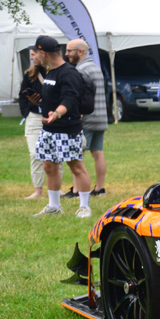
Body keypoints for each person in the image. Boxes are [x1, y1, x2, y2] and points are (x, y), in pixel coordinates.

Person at [30, 35, 93, 217]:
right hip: (49, 129)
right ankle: (54, 206)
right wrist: (39, 100)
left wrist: (57, 113)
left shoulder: (69, 73)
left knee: (76, 166)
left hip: (67, 129)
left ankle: (84, 207)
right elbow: (55, 95)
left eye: (36, 52)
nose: (35, 56)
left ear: (43, 52)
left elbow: (70, 98)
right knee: (49, 166)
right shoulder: (51, 72)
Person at [66, 38, 109, 196]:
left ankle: (77, 189)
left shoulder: (80, 70)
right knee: (98, 152)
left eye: (69, 50)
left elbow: (80, 97)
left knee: (78, 155)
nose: (66, 54)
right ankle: (100, 188)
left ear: (80, 51)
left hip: (87, 119)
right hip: (101, 118)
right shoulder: (96, 68)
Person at [19, 47, 46, 199]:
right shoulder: (29, 75)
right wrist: (26, 111)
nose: (31, 58)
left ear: (42, 54)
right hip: (34, 116)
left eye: (33, 55)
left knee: (54, 155)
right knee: (35, 153)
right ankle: (38, 190)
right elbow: (22, 95)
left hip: (52, 116)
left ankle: (55, 188)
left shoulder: (55, 72)